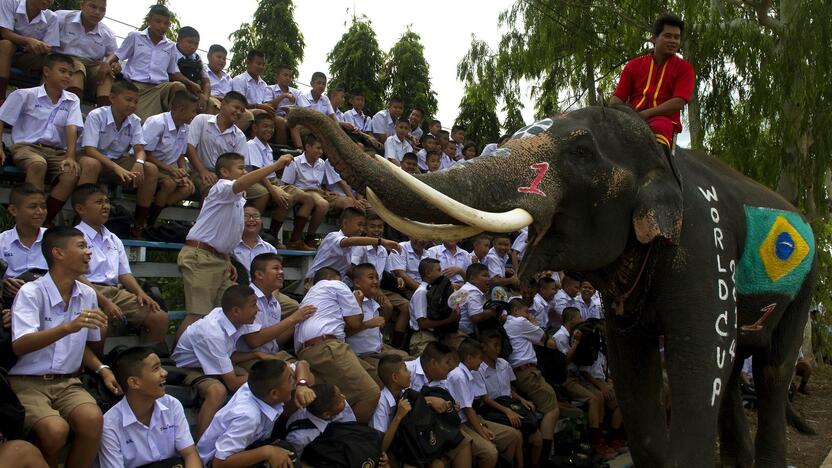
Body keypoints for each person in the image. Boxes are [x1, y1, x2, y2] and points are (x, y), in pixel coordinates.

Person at [8, 226, 115, 467]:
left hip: (68, 382)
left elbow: (83, 347)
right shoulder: (31, 292)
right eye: (81, 246)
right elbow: (20, 345)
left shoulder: (87, 293)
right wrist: (68, 326)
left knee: (93, 419)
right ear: (58, 253)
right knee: (55, 430)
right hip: (28, 382)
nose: (89, 252)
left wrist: (102, 369)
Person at [176, 152, 289, 337]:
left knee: (227, 311)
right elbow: (240, 184)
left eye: (245, 168)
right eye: (240, 168)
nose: (244, 172)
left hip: (218, 258)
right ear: (224, 172)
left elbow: (223, 234)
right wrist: (276, 165)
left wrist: (226, 259)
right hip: (200, 256)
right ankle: (179, 357)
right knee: (199, 314)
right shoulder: (222, 187)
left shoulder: (236, 200)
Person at [71, 184, 168, 342]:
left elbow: (124, 274)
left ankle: (145, 364)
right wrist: (105, 302)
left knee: (158, 317)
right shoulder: (73, 237)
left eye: (107, 202)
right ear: (80, 209)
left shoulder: (113, 239)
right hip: (85, 291)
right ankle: (96, 367)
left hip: (115, 291)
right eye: (98, 202)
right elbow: (76, 276)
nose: (106, 207)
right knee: (99, 327)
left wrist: (140, 293)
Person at [0, 53, 82, 225]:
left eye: (70, 73)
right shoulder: (25, 95)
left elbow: (72, 127)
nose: (67, 76)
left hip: (56, 151)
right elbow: (2, 119)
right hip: (27, 147)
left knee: (71, 173)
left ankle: (45, 220)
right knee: (38, 163)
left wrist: (70, 156)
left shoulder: (72, 99)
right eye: (62, 71)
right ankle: (29, 220)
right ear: (46, 71)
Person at [294, 267, 380, 422]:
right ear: (330, 277)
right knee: (370, 394)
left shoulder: (311, 295)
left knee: (376, 376)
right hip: (327, 347)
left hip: (311, 350)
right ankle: (349, 440)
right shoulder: (335, 285)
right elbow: (355, 322)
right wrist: (357, 302)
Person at [79, 79, 160, 239]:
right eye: (128, 99)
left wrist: (139, 162)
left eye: (136, 101)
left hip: (117, 162)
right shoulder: (97, 115)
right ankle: (81, 221)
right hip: (92, 159)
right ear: (112, 98)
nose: (132, 105)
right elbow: (89, 149)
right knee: (92, 164)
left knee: (150, 169)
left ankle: (138, 223)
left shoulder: (135, 120)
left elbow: (140, 149)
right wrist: (117, 168)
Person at [197, 359, 316, 468]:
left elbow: (303, 364)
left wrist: (302, 385)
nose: (293, 381)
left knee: (286, 452)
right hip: (214, 462)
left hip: (248, 446)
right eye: (290, 379)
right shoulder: (248, 416)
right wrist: (267, 452)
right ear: (274, 394)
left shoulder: (261, 386)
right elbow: (219, 463)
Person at [173, 285, 257, 437]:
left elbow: (227, 355)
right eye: (253, 305)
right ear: (236, 311)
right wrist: (263, 379)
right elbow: (232, 383)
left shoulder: (227, 317)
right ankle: (201, 448)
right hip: (188, 369)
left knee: (252, 371)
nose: (258, 310)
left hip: (208, 364)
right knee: (217, 391)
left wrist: (257, 355)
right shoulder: (213, 332)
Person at [99, 347, 200, 468]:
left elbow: (190, 454)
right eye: (156, 369)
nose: (164, 373)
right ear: (134, 382)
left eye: (161, 367)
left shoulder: (172, 405)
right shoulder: (110, 425)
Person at [609, 13, 694, 150]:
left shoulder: (684, 68)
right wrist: (614, 111)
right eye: (668, 36)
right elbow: (618, 97)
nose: (673, 41)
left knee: (660, 128)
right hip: (630, 118)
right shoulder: (633, 65)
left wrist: (646, 114)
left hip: (663, 121)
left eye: (677, 37)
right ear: (654, 38)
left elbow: (679, 101)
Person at [372, 354, 472, 468]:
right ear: (395, 377)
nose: (409, 372)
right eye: (405, 369)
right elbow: (380, 447)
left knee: (451, 451)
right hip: (391, 453)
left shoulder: (403, 393)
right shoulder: (381, 403)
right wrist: (398, 417)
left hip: (408, 444)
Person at [502, 301, 562, 465]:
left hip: (519, 373)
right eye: (526, 311)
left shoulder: (507, 323)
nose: (529, 315)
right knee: (552, 410)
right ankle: (545, 458)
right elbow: (543, 338)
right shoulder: (519, 321)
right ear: (515, 311)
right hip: (527, 372)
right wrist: (533, 321)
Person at [479, 329, 549, 468]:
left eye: (500, 345)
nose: (498, 349)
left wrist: (522, 400)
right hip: (492, 409)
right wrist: (507, 412)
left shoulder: (504, 364)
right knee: (517, 436)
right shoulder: (479, 368)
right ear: (484, 347)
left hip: (509, 404)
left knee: (537, 439)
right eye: (495, 345)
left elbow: (509, 389)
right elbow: (485, 399)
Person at [106, 4, 189, 120]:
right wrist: (106, 64)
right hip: (136, 87)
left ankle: (172, 122)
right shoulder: (135, 36)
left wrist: (191, 84)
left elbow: (173, 72)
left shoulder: (170, 46)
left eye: (166, 23)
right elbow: (117, 55)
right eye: (158, 21)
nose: (162, 26)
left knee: (178, 87)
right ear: (149, 20)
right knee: (140, 122)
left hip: (160, 88)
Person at [448, 339, 523, 468]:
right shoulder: (459, 376)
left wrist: (482, 427)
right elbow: (468, 410)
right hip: (460, 424)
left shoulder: (468, 374)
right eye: (479, 358)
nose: (482, 362)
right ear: (469, 358)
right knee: (490, 452)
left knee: (514, 436)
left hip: (471, 420)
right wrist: (483, 434)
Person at [554, 307, 615, 460]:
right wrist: (576, 342)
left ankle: (600, 439)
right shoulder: (560, 336)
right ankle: (595, 443)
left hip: (578, 374)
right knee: (593, 399)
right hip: (565, 377)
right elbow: (564, 361)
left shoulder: (576, 333)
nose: (581, 320)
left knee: (600, 395)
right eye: (579, 317)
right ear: (572, 319)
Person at [237, 253, 315, 367]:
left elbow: (274, 342)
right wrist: (293, 319)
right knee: (294, 374)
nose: (281, 272)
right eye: (275, 269)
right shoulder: (247, 298)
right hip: (250, 359)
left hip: (272, 355)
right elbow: (254, 341)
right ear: (259, 274)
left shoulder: (275, 304)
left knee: (307, 369)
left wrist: (297, 323)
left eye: (282, 269)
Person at [244, 113, 311, 248]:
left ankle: (294, 240)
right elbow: (258, 173)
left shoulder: (268, 148)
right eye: (265, 126)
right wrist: (274, 190)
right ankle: (265, 235)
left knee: (308, 199)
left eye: (272, 127)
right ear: (255, 128)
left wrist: (277, 187)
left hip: (272, 182)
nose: (269, 130)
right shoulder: (251, 145)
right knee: (282, 197)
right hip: (257, 182)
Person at [352, 212, 410, 348]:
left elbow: (387, 273)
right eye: (372, 227)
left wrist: (398, 279)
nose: (377, 230)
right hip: (363, 288)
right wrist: (370, 288)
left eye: (380, 227)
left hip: (379, 287)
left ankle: (396, 344)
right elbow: (352, 270)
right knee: (387, 306)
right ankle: (377, 338)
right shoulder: (360, 247)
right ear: (365, 229)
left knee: (407, 307)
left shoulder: (383, 250)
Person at [141, 90, 199, 222]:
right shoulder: (157, 123)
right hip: (148, 164)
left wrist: (183, 173)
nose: (194, 115)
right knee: (169, 184)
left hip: (166, 169)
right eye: (193, 111)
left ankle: (152, 214)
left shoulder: (185, 127)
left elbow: (180, 154)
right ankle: (144, 222)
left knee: (187, 188)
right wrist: (171, 170)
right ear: (181, 109)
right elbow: (146, 154)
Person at [347, 263, 409, 382]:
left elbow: (376, 330)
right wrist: (369, 324)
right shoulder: (350, 302)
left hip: (378, 349)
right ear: (357, 283)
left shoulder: (373, 302)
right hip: (361, 355)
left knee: (407, 358)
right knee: (395, 374)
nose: (375, 281)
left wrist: (386, 310)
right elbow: (344, 333)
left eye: (377, 278)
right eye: (371, 277)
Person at [304, 206, 401, 281]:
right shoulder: (333, 236)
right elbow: (350, 241)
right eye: (359, 225)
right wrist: (381, 241)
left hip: (336, 284)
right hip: (315, 282)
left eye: (363, 225)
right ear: (345, 223)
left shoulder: (353, 245)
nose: (362, 229)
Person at [185, 91, 250, 197]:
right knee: (211, 189)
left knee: (257, 193)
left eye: (242, 110)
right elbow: (189, 146)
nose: (239, 112)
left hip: (227, 176)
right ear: (223, 103)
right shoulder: (201, 120)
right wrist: (202, 170)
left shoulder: (239, 136)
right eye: (236, 107)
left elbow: (241, 164)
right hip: (197, 170)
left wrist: (237, 184)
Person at [54, 0, 118, 105]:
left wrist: (109, 63)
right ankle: (72, 110)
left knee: (106, 73)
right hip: (64, 59)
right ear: (82, 5)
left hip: (92, 64)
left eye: (102, 9)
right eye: (93, 7)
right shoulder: (62, 17)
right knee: (77, 67)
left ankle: (104, 115)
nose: (97, 12)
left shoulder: (107, 33)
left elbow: (114, 53)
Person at [280, 134, 337, 249]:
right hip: (302, 191)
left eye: (322, 148)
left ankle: (308, 239)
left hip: (318, 192)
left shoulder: (321, 163)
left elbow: (323, 184)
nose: (321, 151)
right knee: (323, 205)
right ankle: (305, 238)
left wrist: (326, 191)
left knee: (344, 201)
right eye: (318, 148)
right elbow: (287, 185)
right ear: (307, 147)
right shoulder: (295, 162)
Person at [0, 0, 59, 103]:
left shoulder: (51, 17)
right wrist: (28, 41)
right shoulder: (10, 2)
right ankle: (1, 96)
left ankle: (42, 104)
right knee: (6, 45)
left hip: (28, 56)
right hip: (5, 52)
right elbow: (6, 33)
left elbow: (50, 46)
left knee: (51, 61)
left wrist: (41, 47)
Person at [0, 183, 47, 304]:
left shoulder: (54, 239)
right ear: (13, 210)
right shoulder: (2, 241)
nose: (40, 211)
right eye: (33, 207)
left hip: (47, 300)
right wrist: (3, 284)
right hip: (11, 300)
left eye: (43, 206)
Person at [285, 383, 357, 457]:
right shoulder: (300, 438)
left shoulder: (336, 403)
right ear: (327, 414)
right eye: (339, 402)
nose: (344, 398)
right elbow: (295, 458)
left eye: (340, 394)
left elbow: (350, 425)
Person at [407, 258, 459, 355]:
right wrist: (449, 320)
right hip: (423, 336)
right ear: (428, 273)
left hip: (438, 334)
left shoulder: (436, 290)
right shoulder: (422, 292)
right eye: (439, 270)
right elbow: (422, 323)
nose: (442, 273)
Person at [230, 49, 283, 137]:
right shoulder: (239, 80)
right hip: (245, 111)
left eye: (263, 64)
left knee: (280, 121)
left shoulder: (264, 84)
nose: (261, 67)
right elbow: (239, 104)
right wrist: (258, 106)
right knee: (260, 112)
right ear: (248, 62)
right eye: (258, 63)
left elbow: (266, 103)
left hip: (261, 111)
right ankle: (254, 144)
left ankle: (279, 149)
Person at [455, 264, 496, 339]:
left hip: (458, 330)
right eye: (484, 275)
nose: (488, 279)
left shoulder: (466, 288)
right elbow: (476, 317)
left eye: (489, 276)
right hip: (465, 335)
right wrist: (491, 311)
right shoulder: (473, 291)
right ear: (472, 279)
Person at [174, 26, 210, 113]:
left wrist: (205, 98)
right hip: (178, 91)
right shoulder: (170, 51)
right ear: (178, 40)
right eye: (189, 42)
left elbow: (206, 81)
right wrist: (193, 85)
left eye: (196, 44)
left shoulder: (197, 57)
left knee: (211, 104)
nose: (193, 46)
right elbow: (174, 74)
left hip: (196, 94)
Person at [269, 64, 300, 145]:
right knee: (281, 121)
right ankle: (281, 148)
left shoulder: (296, 92)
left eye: (290, 76)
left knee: (294, 123)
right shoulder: (270, 89)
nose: (288, 78)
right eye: (285, 75)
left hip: (290, 117)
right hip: (273, 116)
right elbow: (268, 106)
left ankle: (300, 150)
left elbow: (300, 109)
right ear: (277, 76)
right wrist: (283, 96)